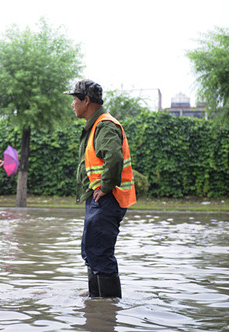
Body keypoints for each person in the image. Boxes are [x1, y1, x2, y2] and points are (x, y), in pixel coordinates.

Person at [64, 79, 136, 298]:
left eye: (74, 99)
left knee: (100, 254)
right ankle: (96, 305)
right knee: (90, 252)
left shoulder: (104, 124)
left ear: (86, 100)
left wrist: (105, 187)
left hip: (107, 199)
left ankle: (108, 307)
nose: (72, 105)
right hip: (98, 200)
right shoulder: (95, 125)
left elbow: (113, 158)